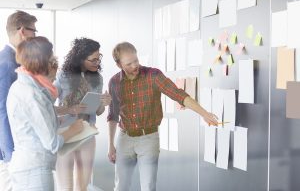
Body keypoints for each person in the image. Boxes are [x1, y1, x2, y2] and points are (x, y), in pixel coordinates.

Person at [107, 42, 218, 191]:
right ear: (119, 64)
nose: (135, 66)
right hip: (124, 138)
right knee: (121, 186)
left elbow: (179, 95)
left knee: (148, 186)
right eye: (129, 64)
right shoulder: (114, 82)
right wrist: (110, 145)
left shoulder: (153, 75)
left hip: (148, 139)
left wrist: (205, 113)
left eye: (136, 60)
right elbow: (113, 115)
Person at [6, 36, 84, 191]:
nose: (51, 61)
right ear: (41, 61)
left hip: (27, 168)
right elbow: (52, 143)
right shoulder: (32, 93)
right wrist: (74, 130)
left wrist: (63, 119)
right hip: (34, 170)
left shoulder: (22, 86)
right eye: (50, 57)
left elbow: (37, 120)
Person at [54, 37, 111, 191]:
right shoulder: (62, 76)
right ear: (80, 58)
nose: (97, 63)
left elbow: (98, 112)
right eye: (93, 60)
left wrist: (104, 104)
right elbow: (47, 106)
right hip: (66, 134)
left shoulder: (97, 79)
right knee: (65, 187)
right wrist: (69, 109)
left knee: (83, 186)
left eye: (98, 58)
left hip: (87, 134)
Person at [0, 10, 37, 191]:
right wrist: (10, 153)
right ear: (22, 31)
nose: (35, 36)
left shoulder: (14, 60)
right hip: (10, 150)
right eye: (34, 31)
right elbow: (2, 110)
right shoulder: (7, 63)